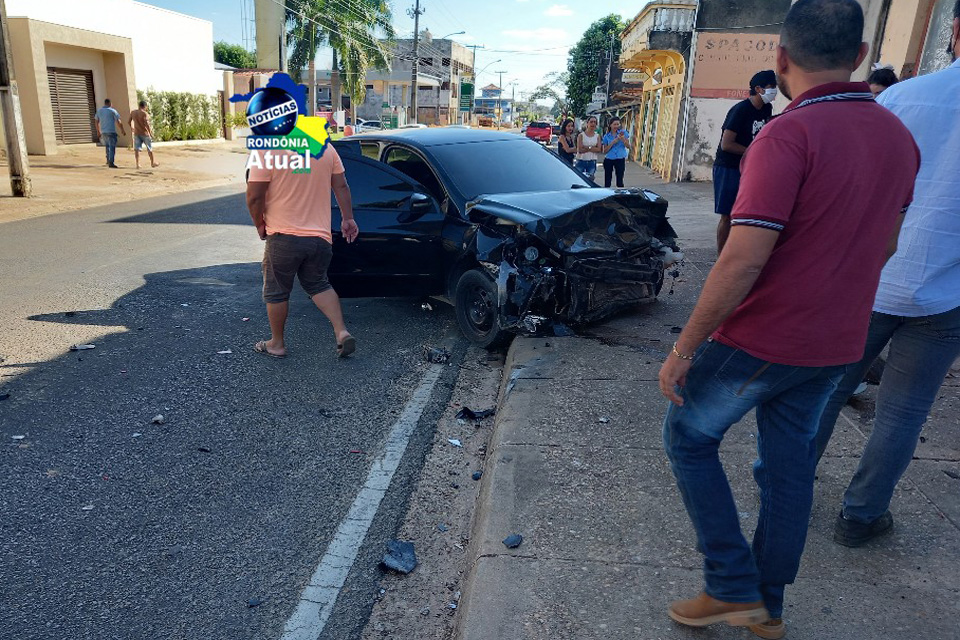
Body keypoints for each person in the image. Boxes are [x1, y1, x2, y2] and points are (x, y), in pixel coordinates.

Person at [657, 1, 919, 638]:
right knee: (787, 466)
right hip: (838, 341)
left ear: (779, 59)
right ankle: (767, 607)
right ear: (858, 58)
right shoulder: (897, 137)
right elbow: (886, 245)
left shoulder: (786, 134)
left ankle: (729, 584)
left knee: (688, 437)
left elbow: (742, 260)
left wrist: (684, 348)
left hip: (767, 336)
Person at [814, 0, 960, 549]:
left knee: (827, 389)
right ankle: (861, 516)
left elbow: (849, 184)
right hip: (947, 292)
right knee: (904, 411)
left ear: (956, 32)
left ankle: (784, 488)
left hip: (871, 277)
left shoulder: (900, 97)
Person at [246, 146, 360, 359]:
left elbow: (254, 195)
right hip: (320, 238)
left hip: (283, 236)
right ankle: (341, 331)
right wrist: (348, 218)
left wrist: (259, 223)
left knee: (276, 290)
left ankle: (276, 344)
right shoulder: (325, 146)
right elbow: (341, 185)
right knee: (318, 284)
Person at [713, 70, 778, 255]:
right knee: (727, 214)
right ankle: (722, 256)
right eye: (771, 87)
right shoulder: (740, 110)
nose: (774, 91)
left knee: (744, 212)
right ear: (758, 89)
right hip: (729, 167)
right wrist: (754, 151)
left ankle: (739, 251)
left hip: (750, 167)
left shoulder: (766, 109)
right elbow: (727, 145)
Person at [94, 99, 126, 169]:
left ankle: (108, 160)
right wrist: (122, 130)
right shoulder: (112, 111)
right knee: (112, 147)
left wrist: (98, 131)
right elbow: (118, 121)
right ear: (110, 103)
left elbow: (96, 121)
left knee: (107, 146)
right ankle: (111, 162)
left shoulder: (99, 111)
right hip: (111, 131)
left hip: (104, 132)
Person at [128, 101, 159, 169]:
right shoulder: (144, 113)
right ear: (145, 106)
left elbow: (128, 121)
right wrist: (150, 133)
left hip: (137, 132)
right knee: (149, 148)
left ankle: (138, 164)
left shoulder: (133, 112)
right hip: (144, 133)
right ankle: (152, 162)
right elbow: (147, 124)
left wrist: (132, 127)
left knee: (137, 149)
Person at [601, 117, 629, 188]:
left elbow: (628, 146)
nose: (616, 126)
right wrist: (613, 142)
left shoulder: (623, 133)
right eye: (614, 124)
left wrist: (623, 140)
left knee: (620, 180)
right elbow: (605, 150)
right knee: (607, 180)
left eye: (618, 124)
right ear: (610, 125)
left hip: (620, 158)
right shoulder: (606, 136)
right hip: (609, 158)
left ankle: (620, 196)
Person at [575, 116, 601, 180]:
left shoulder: (597, 136)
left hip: (592, 162)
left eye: (595, 122)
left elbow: (599, 149)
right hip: (581, 161)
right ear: (587, 123)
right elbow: (580, 150)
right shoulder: (581, 135)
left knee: (590, 181)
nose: (593, 124)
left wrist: (587, 147)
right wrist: (593, 148)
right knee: (579, 180)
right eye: (591, 122)